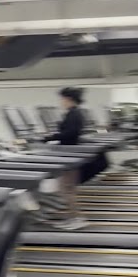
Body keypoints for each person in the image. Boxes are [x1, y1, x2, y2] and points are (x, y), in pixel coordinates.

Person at [50, 87, 88, 230]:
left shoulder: (73, 114)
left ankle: (76, 218)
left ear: (68, 99)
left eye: (62, 99)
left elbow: (69, 134)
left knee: (66, 189)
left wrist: (49, 137)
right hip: (70, 154)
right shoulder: (75, 113)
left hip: (69, 155)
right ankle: (72, 217)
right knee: (66, 189)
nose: (61, 102)